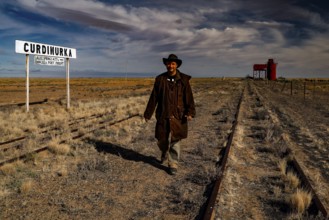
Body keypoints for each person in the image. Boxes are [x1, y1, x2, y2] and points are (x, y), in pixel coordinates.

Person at [144, 54, 196, 175]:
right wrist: (148, 113)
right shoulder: (160, 79)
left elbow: (189, 97)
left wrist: (190, 112)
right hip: (163, 113)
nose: (170, 66)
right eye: (169, 63)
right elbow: (154, 98)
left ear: (176, 65)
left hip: (178, 115)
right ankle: (164, 151)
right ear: (166, 65)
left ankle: (173, 163)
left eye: (173, 64)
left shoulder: (183, 80)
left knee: (175, 139)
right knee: (161, 139)